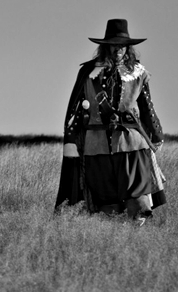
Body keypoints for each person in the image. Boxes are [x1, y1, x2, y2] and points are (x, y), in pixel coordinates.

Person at [54, 18, 166, 224]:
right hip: (96, 145)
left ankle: (136, 236)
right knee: (105, 199)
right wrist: (71, 140)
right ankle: (113, 237)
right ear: (105, 47)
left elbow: (147, 107)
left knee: (137, 194)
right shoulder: (88, 72)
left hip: (132, 143)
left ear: (128, 48)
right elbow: (75, 110)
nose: (118, 50)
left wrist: (156, 134)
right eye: (114, 45)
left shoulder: (139, 73)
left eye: (122, 45)